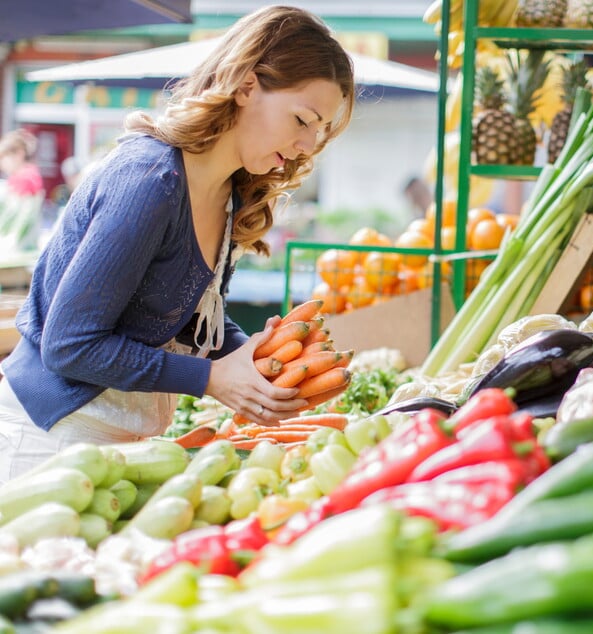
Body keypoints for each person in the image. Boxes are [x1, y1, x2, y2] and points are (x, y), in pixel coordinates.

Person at [0, 5, 356, 481]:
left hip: (121, 442)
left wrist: (245, 357)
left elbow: (179, 310)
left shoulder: (232, 191)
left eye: (320, 130)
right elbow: (68, 345)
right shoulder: (151, 179)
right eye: (302, 119)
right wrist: (210, 379)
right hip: (50, 439)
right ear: (248, 85)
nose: (309, 145)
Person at [0, 129, 43, 198]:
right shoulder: (31, 173)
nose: (1, 165)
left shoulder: (23, 179)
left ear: (19, 154)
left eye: (3, 158)